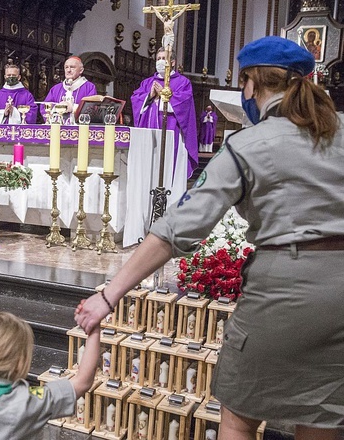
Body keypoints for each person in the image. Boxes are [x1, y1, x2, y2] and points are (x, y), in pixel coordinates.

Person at [76, 36, 343, 440]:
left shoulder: (248, 144)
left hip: (286, 292)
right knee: (323, 415)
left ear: (251, 84)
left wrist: (108, 296)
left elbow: (177, 230)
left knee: (240, 413)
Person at [130, 48, 198, 179]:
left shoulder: (183, 82)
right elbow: (135, 99)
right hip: (149, 133)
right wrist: (149, 96)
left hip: (172, 131)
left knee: (168, 170)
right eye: (158, 59)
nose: (160, 61)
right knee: (150, 171)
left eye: (163, 58)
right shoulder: (148, 82)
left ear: (172, 62)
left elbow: (184, 104)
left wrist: (164, 94)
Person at [42, 56, 97, 124]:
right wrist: (58, 108)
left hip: (79, 131)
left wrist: (73, 108)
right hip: (57, 129)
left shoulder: (89, 87)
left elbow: (92, 108)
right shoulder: (56, 88)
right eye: (66, 67)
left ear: (81, 70)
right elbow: (45, 107)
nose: (68, 70)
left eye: (72, 67)